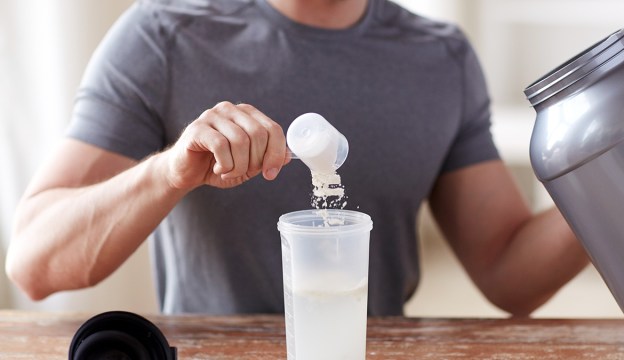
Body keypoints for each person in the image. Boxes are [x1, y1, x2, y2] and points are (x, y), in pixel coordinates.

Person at [6, 0, 588, 316]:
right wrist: (169, 171)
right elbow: (34, 264)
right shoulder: (165, 36)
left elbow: (510, 273)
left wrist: (612, 173)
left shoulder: (441, 59)